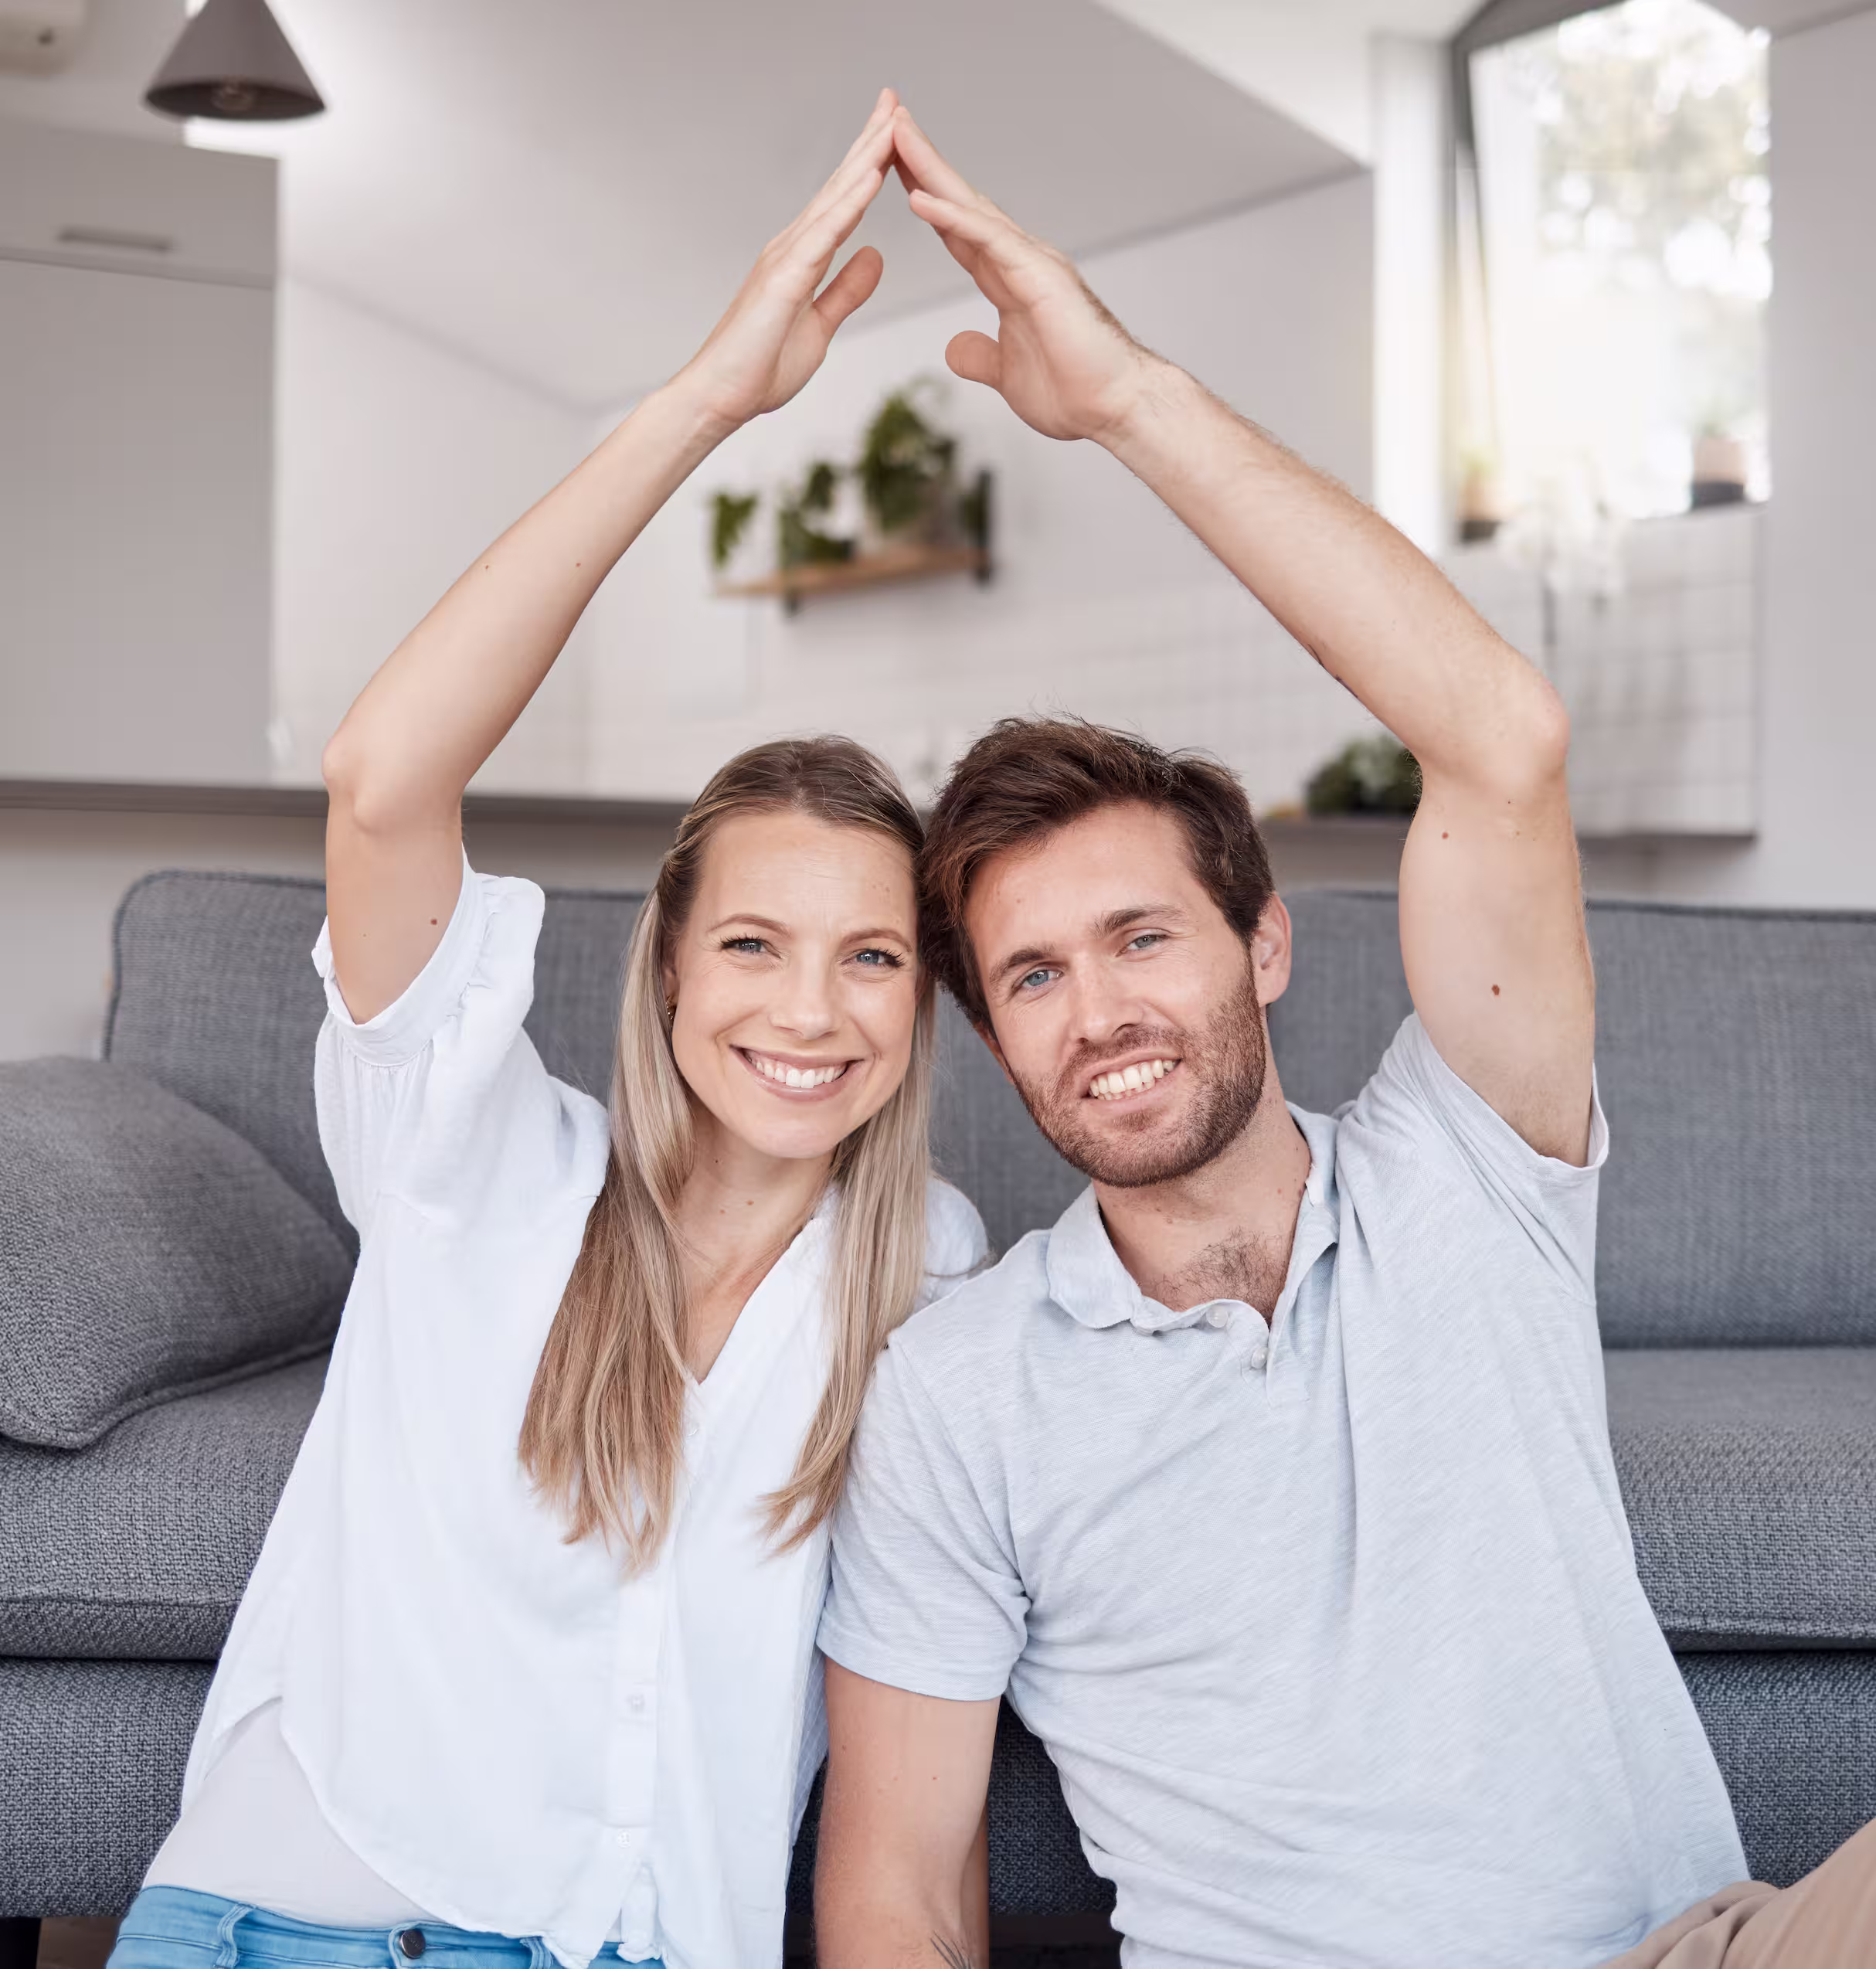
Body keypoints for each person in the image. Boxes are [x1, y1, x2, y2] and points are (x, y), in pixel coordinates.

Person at [811, 108, 1876, 1969]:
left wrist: (1125, 399)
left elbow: (1494, 733)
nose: (1101, 1012)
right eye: (1035, 975)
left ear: (1265, 940)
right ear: (992, 1036)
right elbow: (894, 1883)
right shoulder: (959, 1394)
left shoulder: (1469, 1164)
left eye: (1140, 933)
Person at [108, 89, 987, 1969]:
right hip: (292, 1926)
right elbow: (381, 774)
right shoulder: (476, 1158)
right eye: (753, 942)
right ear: (665, 970)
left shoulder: (933, 1273)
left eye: (872, 959)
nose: (808, 1012)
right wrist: (699, 404)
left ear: (925, 1005)